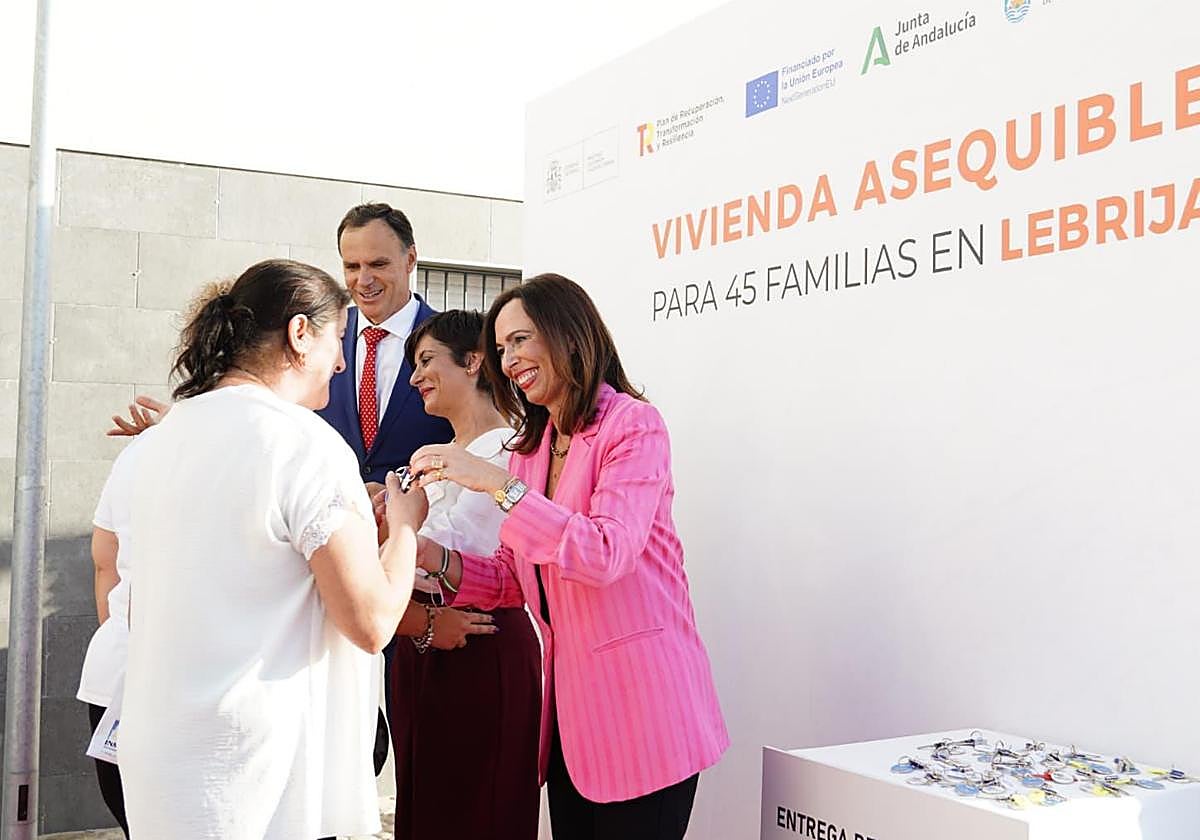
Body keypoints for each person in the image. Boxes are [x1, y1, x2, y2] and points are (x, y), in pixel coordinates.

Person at [403, 274, 729, 840]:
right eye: (502, 347)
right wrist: (429, 552)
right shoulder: (535, 448)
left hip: (643, 716)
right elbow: (512, 577)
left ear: (569, 335)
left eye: (522, 340)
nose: (509, 360)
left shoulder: (633, 425)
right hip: (570, 729)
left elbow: (605, 551)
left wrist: (494, 485)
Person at [118, 259, 425, 840]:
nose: (340, 361)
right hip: (260, 776)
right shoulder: (304, 443)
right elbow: (371, 620)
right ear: (300, 333)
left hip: (162, 756)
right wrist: (405, 526)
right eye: (337, 339)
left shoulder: (164, 438)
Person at [386, 310, 541, 840]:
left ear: (474, 361)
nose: (414, 377)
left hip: (483, 643)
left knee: (478, 810)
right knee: (424, 804)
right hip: (421, 642)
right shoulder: (433, 458)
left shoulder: (513, 451)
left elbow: (487, 557)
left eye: (426, 360)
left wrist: (403, 533)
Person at [76, 428, 162, 839]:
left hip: (116, 670)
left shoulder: (140, 449)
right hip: (192, 685)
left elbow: (104, 562)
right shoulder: (271, 445)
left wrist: (123, 639)